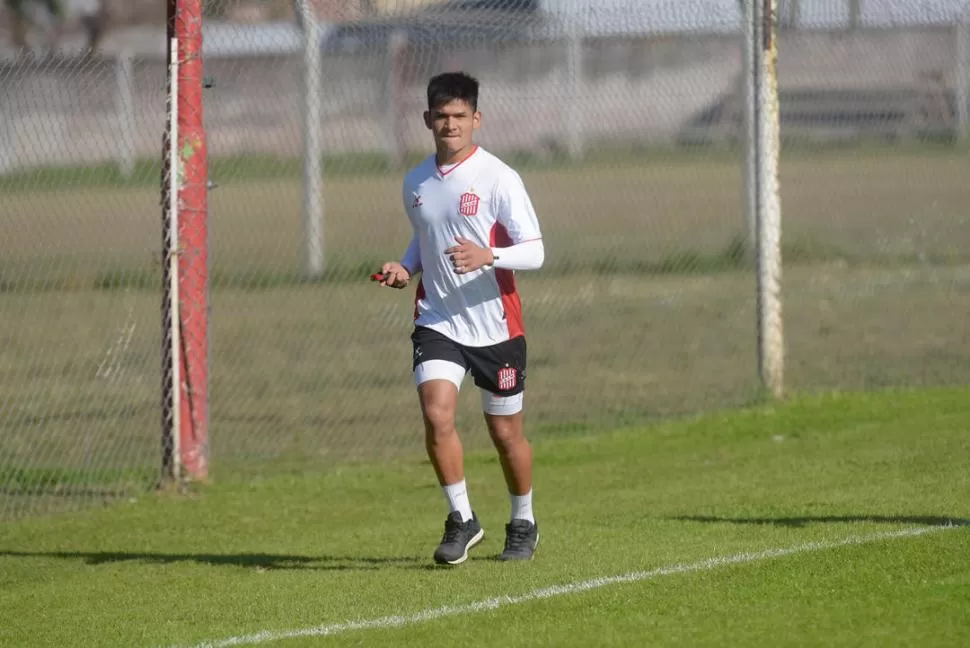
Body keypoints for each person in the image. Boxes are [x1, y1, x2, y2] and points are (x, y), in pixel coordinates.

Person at [377, 71, 545, 565]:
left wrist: (488, 255)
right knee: (436, 414)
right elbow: (425, 236)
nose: (450, 125)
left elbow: (535, 252)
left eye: (459, 116)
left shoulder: (499, 178)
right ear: (427, 120)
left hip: (495, 326)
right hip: (439, 320)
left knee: (505, 434)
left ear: (477, 119)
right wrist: (405, 267)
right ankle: (462, 518)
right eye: (441, 117)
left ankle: (524, 521)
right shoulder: (416, 182)